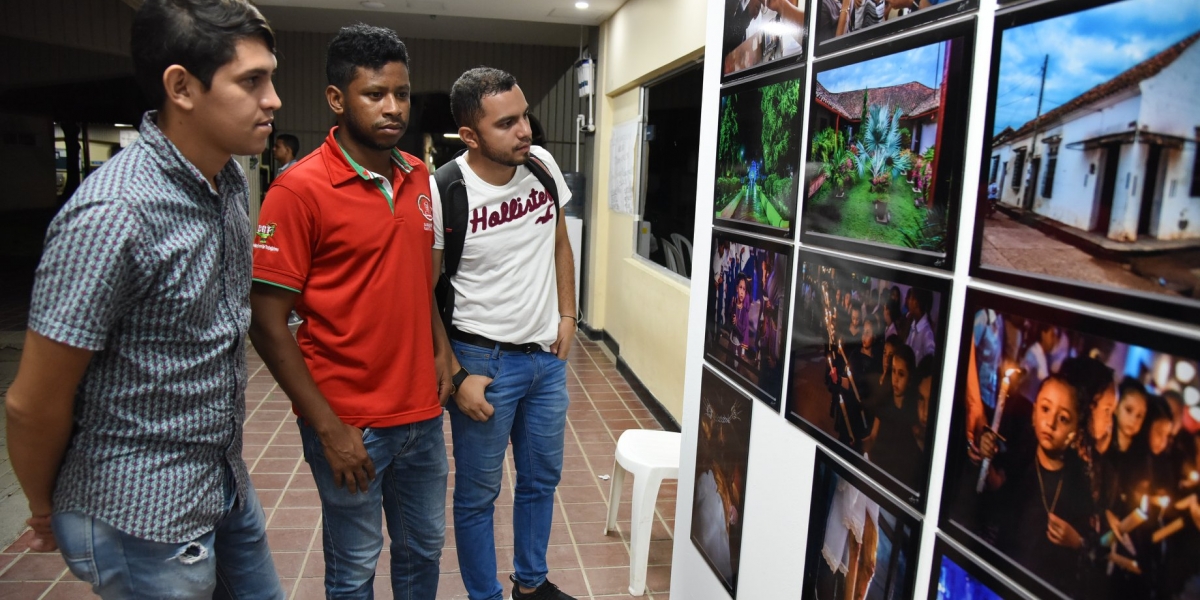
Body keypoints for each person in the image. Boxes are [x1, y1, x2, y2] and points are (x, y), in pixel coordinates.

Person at [5, 1, 284, 597]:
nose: (274, 99)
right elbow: (31, 403)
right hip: (141, 511)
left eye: (272, 77)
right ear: (181, 87)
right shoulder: (113, 216)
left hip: (220, 479)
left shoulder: (228, 180)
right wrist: (43, 506)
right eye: (252, 81)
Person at [248, 24, 452, 599]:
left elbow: (417, 284)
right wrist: (330, 429)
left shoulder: (417, 176)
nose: (393, 108)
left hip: (419, 418)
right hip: (350, 420)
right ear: (337, 100)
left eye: (402, 93)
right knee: (355, 564)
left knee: (423, 552)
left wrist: (441, 353)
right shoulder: (297, 191)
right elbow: (267, 325)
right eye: (375, 94)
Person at [433, 66, 578, 600]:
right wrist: (455, 373)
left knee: (541, 482)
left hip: (546, 361)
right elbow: (424, 291)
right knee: (477, 496)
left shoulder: (540, 166)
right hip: (483, 364)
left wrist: (568, 314)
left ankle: (531, 584)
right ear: (470, 136)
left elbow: (558, 240)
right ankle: (484, 595)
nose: (526, 132)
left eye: (524, 116)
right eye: (507, 123)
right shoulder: (445, 188)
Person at [904, 287, 936, 366]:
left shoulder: (927, 333)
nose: (908, 301)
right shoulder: (913, 325)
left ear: (916, 303)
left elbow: (930, 361)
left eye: (910, 298)